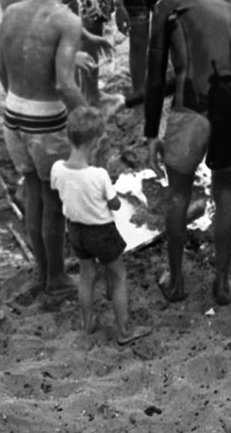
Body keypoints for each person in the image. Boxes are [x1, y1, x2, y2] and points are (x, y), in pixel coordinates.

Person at [143, 0, 231, 306]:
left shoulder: (167, 7)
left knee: (178, 194)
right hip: (228, 103)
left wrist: (151, 132)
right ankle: (221, 283)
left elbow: (155, 76)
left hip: (191, 107)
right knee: (224, 190)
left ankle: (175, 282)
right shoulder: (229, 11)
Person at [0, 0, 90, 299]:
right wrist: (88, 113)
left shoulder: (12, 13)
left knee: (32, 191)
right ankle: (56, 279)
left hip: (13, 113)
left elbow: (3, 66)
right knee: (53, 203)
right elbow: (65, 84)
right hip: (45, 121)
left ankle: (41, 271)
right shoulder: (66, 19)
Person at [51, 106, 152, 346]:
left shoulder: (57, 168)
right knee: (118, 275)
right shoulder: (99, 175)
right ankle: (125, 330)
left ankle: (87, 323)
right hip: (101, 232)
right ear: (96, 143)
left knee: (87, 275)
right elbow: (115, 205)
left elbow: (61, 189)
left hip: (75, 231)